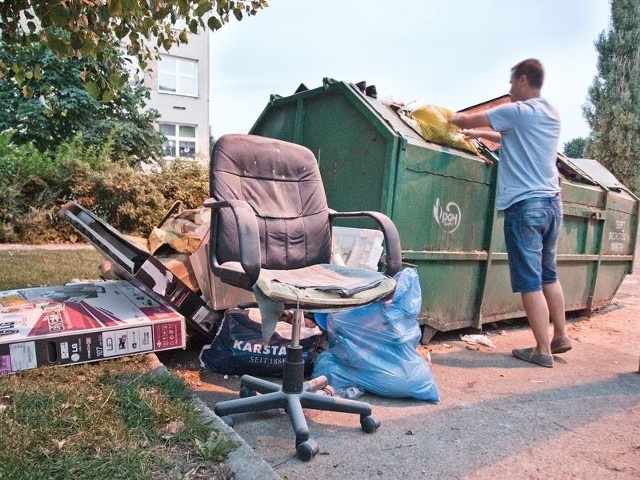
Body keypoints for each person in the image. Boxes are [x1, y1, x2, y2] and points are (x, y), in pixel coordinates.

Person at [450, 58, 571, 368]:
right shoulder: (550, 113)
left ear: (522, 80)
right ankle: (560, 335)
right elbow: (511, 139)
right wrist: (483, 137)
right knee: (548, 275)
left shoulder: (516, 111)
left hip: (525, 207)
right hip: (552, 205)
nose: (508, 89)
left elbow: (464, 120)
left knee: (529, 281)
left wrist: (446, 116)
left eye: (511, 82)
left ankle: (542, 350)